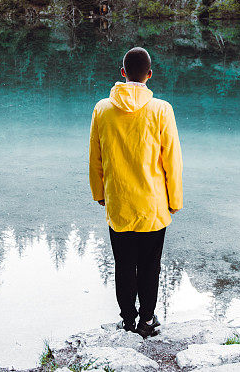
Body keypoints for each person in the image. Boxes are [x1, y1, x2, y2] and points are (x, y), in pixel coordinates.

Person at [89, 46, 183, 338]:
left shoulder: (102, 109)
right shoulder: (161, 110)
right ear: (149, 75)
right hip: (153, 206)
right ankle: (147, 320)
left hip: (119, 204)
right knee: (150, 266)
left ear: (122, 73)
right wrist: (175, 200)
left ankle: (127, 319)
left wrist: (99, 194)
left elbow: (96, 158)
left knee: (124, 264)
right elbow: (172, 160)